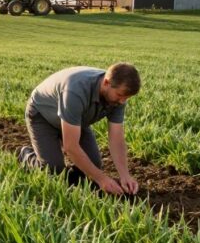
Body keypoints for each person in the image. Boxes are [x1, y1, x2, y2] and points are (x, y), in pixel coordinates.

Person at [18, 63, 140, 195]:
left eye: (126, 98)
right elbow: (70, 146)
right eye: (120, 95)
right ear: (106, 83)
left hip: (75, 120)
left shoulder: (117, 98)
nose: (122, 102)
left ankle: (69, 176)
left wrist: (125, 175)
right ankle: (26, 155)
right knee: (53, 170)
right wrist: (101, 179)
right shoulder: (75, 90)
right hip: (43, 116)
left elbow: (116, 139)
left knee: (94, 164)